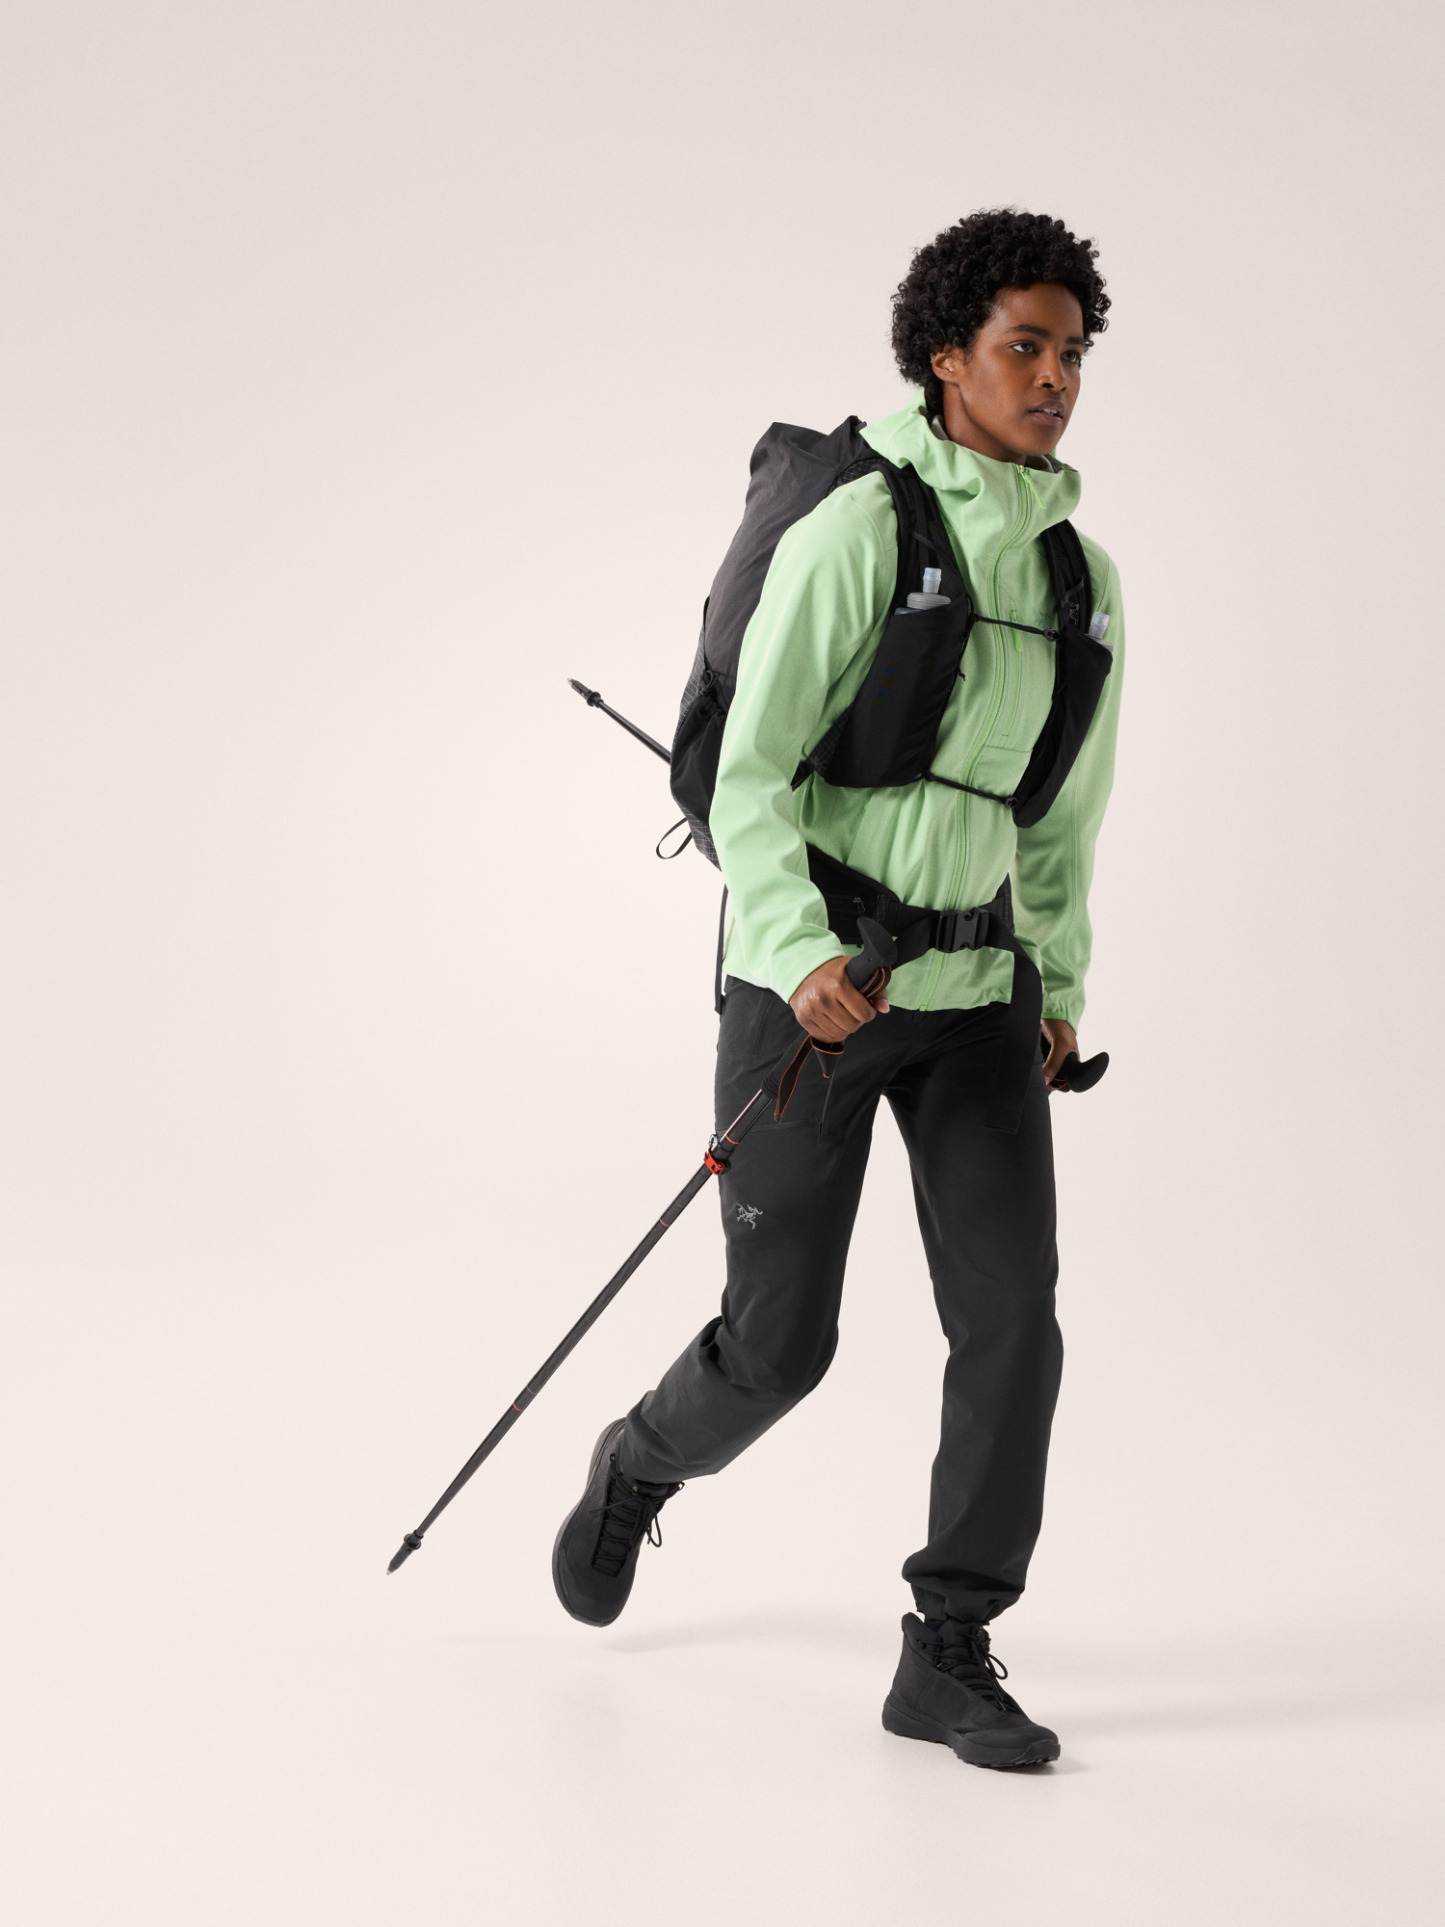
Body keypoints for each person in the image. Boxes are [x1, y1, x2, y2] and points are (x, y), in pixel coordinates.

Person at [553, 208, 1122, 1770]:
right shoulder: (858, 532)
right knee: (779, 1346)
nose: (1054, 379)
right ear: (944, 358)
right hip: (812, 998)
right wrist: (800, 953)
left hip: (978, 996)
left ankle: (948, 1645)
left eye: (1073, 354)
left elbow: (1061, 815)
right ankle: (639, 1464)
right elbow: (749, 774)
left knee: (1013, 1324)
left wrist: (1056, 979)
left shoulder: (1081, 579)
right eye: (1022, 347)